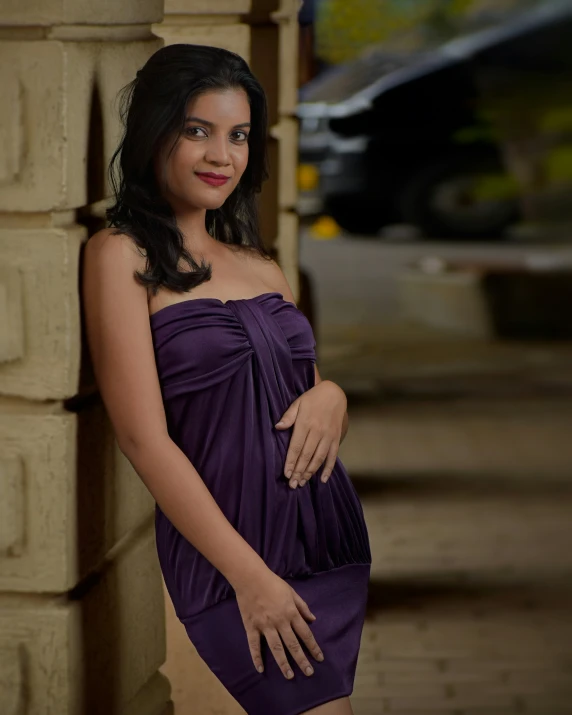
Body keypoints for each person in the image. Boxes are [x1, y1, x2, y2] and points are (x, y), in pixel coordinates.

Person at [82, 44, 372, 715]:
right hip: (234, 559)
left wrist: (335, 396)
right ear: (154, 131)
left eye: (237, 135)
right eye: (197, 131)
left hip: (326, 538)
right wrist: (250, 577)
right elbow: (143, 439)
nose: (222, 156)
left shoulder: (260, 265)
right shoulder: (120, 255)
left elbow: (310, 391)